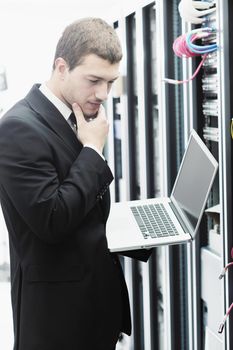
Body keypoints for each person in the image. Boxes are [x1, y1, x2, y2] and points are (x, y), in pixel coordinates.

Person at [0, 17, 151, 350]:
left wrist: (132, 227)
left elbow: (84, 210)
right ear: (61, 67)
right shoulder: (16, 128)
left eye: (111, 82)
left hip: (91, 312)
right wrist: (94, 151)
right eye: (94, 80)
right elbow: (52, 219)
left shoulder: (77, 116)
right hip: (58, 325)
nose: (103, 94)